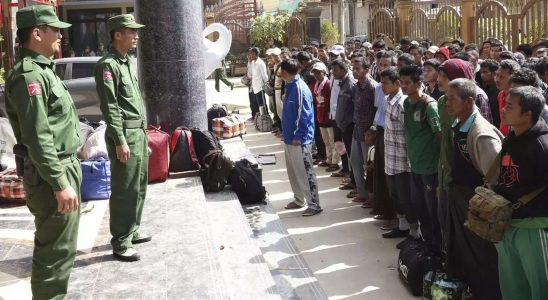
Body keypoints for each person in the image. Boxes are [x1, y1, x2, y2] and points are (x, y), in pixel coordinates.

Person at [4, 5, 80, 298]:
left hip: (61, 168)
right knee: (55, 251)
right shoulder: (28, 77)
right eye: (54, 30)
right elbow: (38, 137)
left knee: (63, 246)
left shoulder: (44, 70)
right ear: (36, 33)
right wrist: (60, 183)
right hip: (52, 175)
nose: (60, 35)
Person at [94, 14, 150, 262]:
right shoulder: (108, 66)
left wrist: (144, 134)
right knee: (124, 189)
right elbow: (111, 107)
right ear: (118, 34)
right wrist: (120, 140)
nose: (135, 36)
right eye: (131, 31)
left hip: (137, 132)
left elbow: (135, 101)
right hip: (124, 134)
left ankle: (132, 230)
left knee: (139, 186)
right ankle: (120, 241)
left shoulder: (127, 62)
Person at [445, 78, 503, 300]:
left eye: (452, 99)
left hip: (478, 204)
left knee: (483, 254)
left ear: (468, 101)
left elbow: (495, 177)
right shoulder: (458, 124)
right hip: (460, 199)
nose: (447, 103)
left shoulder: (482, 134)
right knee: (465, 250)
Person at [494, 86, 548, 300]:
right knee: (513, 287)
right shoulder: (512, 137)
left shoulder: (542, 145)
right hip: (508, 225)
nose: (503, 109)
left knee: (540, 288)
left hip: (534, 227)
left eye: (509, 106)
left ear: (527, 114)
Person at [400, 65, 442, 253]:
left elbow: (440, 135)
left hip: (430, 168)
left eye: (407, 83)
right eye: (401, 82)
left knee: (432, 210)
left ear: (418, 83)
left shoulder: (429, 106)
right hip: (414, 165)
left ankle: (437, 247)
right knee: (419, 207)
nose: (403, 86)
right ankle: (426, 242)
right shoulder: (407, 104)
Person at [279, 59, 322, 217]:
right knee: (293, 172)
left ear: (284, 72)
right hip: (289, 138)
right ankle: (299, 199)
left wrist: (299, 135)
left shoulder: (299, 88)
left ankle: (314, 204)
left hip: (300, 140)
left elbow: (305, 114)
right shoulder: (289, 85)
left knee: (305, 172)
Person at [379, 67, 416, 239]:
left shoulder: (402, 104)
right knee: (395, 195)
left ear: (397, 84)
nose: (382, 86)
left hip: (403, 159)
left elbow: (409, 132)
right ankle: (402, 227)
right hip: (391, 158)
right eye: (381, 82)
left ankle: (414, 233)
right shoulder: (388, 100)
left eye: (386, 83)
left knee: (406, 197)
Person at [371, 51, 396, 221]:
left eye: (386, 65)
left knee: (392, 177)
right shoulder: (378, 88)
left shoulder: (398, 93)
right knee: (379, 171)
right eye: (380, 65)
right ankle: (382, 208)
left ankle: (394, 214)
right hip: (380, 132)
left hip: (393, 135)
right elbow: (378, 110)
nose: (382, 68)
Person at [350, 58, 377, 205]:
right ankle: (362, 192)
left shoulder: (373, 87)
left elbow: (377, 110)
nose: (355, 71)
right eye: (353, 68)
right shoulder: (355, 87)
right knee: (355, 161)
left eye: (358, 68)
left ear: (366, 70)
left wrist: (372, 130)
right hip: (357, 130)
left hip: (369, 133)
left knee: (370, 165)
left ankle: (373, 197)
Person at [330, 59, 355, 182]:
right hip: (342, 124)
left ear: (344, 69)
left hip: (349, 125)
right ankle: (350, 176)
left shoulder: (349, 83)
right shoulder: (341, 82)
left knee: (353, 155)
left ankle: (354, 180)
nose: (333, 73)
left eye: (335, 70)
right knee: (346, 151)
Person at [312, 63, 339, 172]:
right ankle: (328, 159)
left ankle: (335, 161)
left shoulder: (327, 84)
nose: (317, 75)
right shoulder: (317, 84)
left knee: (332, 141)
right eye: (315, 73)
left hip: (328, 117)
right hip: (320, 116)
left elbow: (330, 100)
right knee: (326, 140)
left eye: (319, 72)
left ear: (324, 72)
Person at [495, 59, 521, 135]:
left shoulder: (519, 98)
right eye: (497, 75)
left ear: (513, 78)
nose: (497, 79)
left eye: (502, 77)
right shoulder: (500, 94)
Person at [480, 59, 501, 128]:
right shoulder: (485, 88)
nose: (482, 75)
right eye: (481, 72)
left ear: (494, 73)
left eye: (485, 72)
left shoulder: (500, 90)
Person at [364, 126, 376, 208]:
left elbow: (373, 163)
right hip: (368, 173)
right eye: (365, 136)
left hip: (372, 174)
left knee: (372, 187)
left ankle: (372, 201)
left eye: (369, 135)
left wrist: (367, 168)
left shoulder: (373, 149)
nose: (366, 138)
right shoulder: (370, 148)